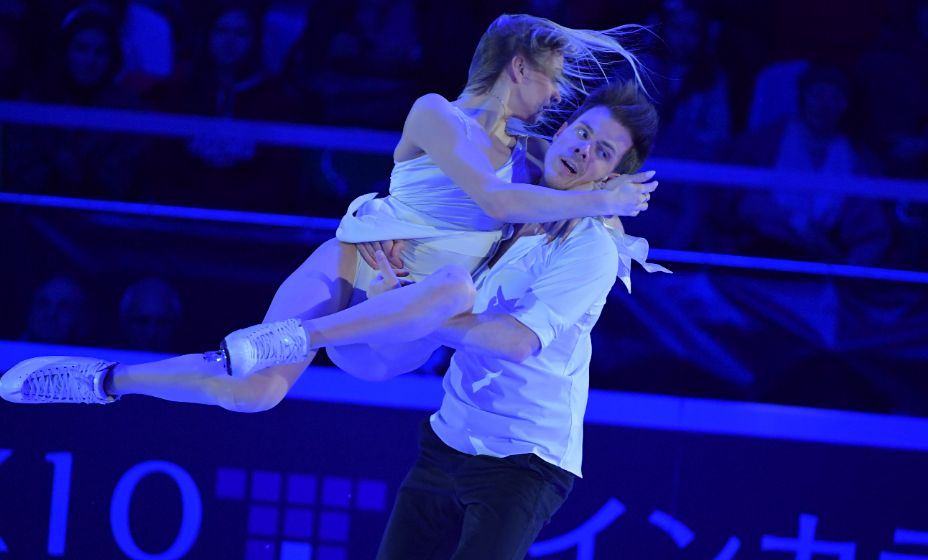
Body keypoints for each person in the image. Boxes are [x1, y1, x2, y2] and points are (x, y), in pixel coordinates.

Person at [0, 15, 658, 409]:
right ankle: (106, 380)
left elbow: (581, 199)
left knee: (455, 287)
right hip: (355, 261)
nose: (559, 95)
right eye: (552, 78)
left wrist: (608, 204)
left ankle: (303, 336)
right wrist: (602, 198)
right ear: (518, 69)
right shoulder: (436, 112)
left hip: (402, 321)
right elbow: (493, 200)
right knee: (255, 392)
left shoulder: (541, 160)